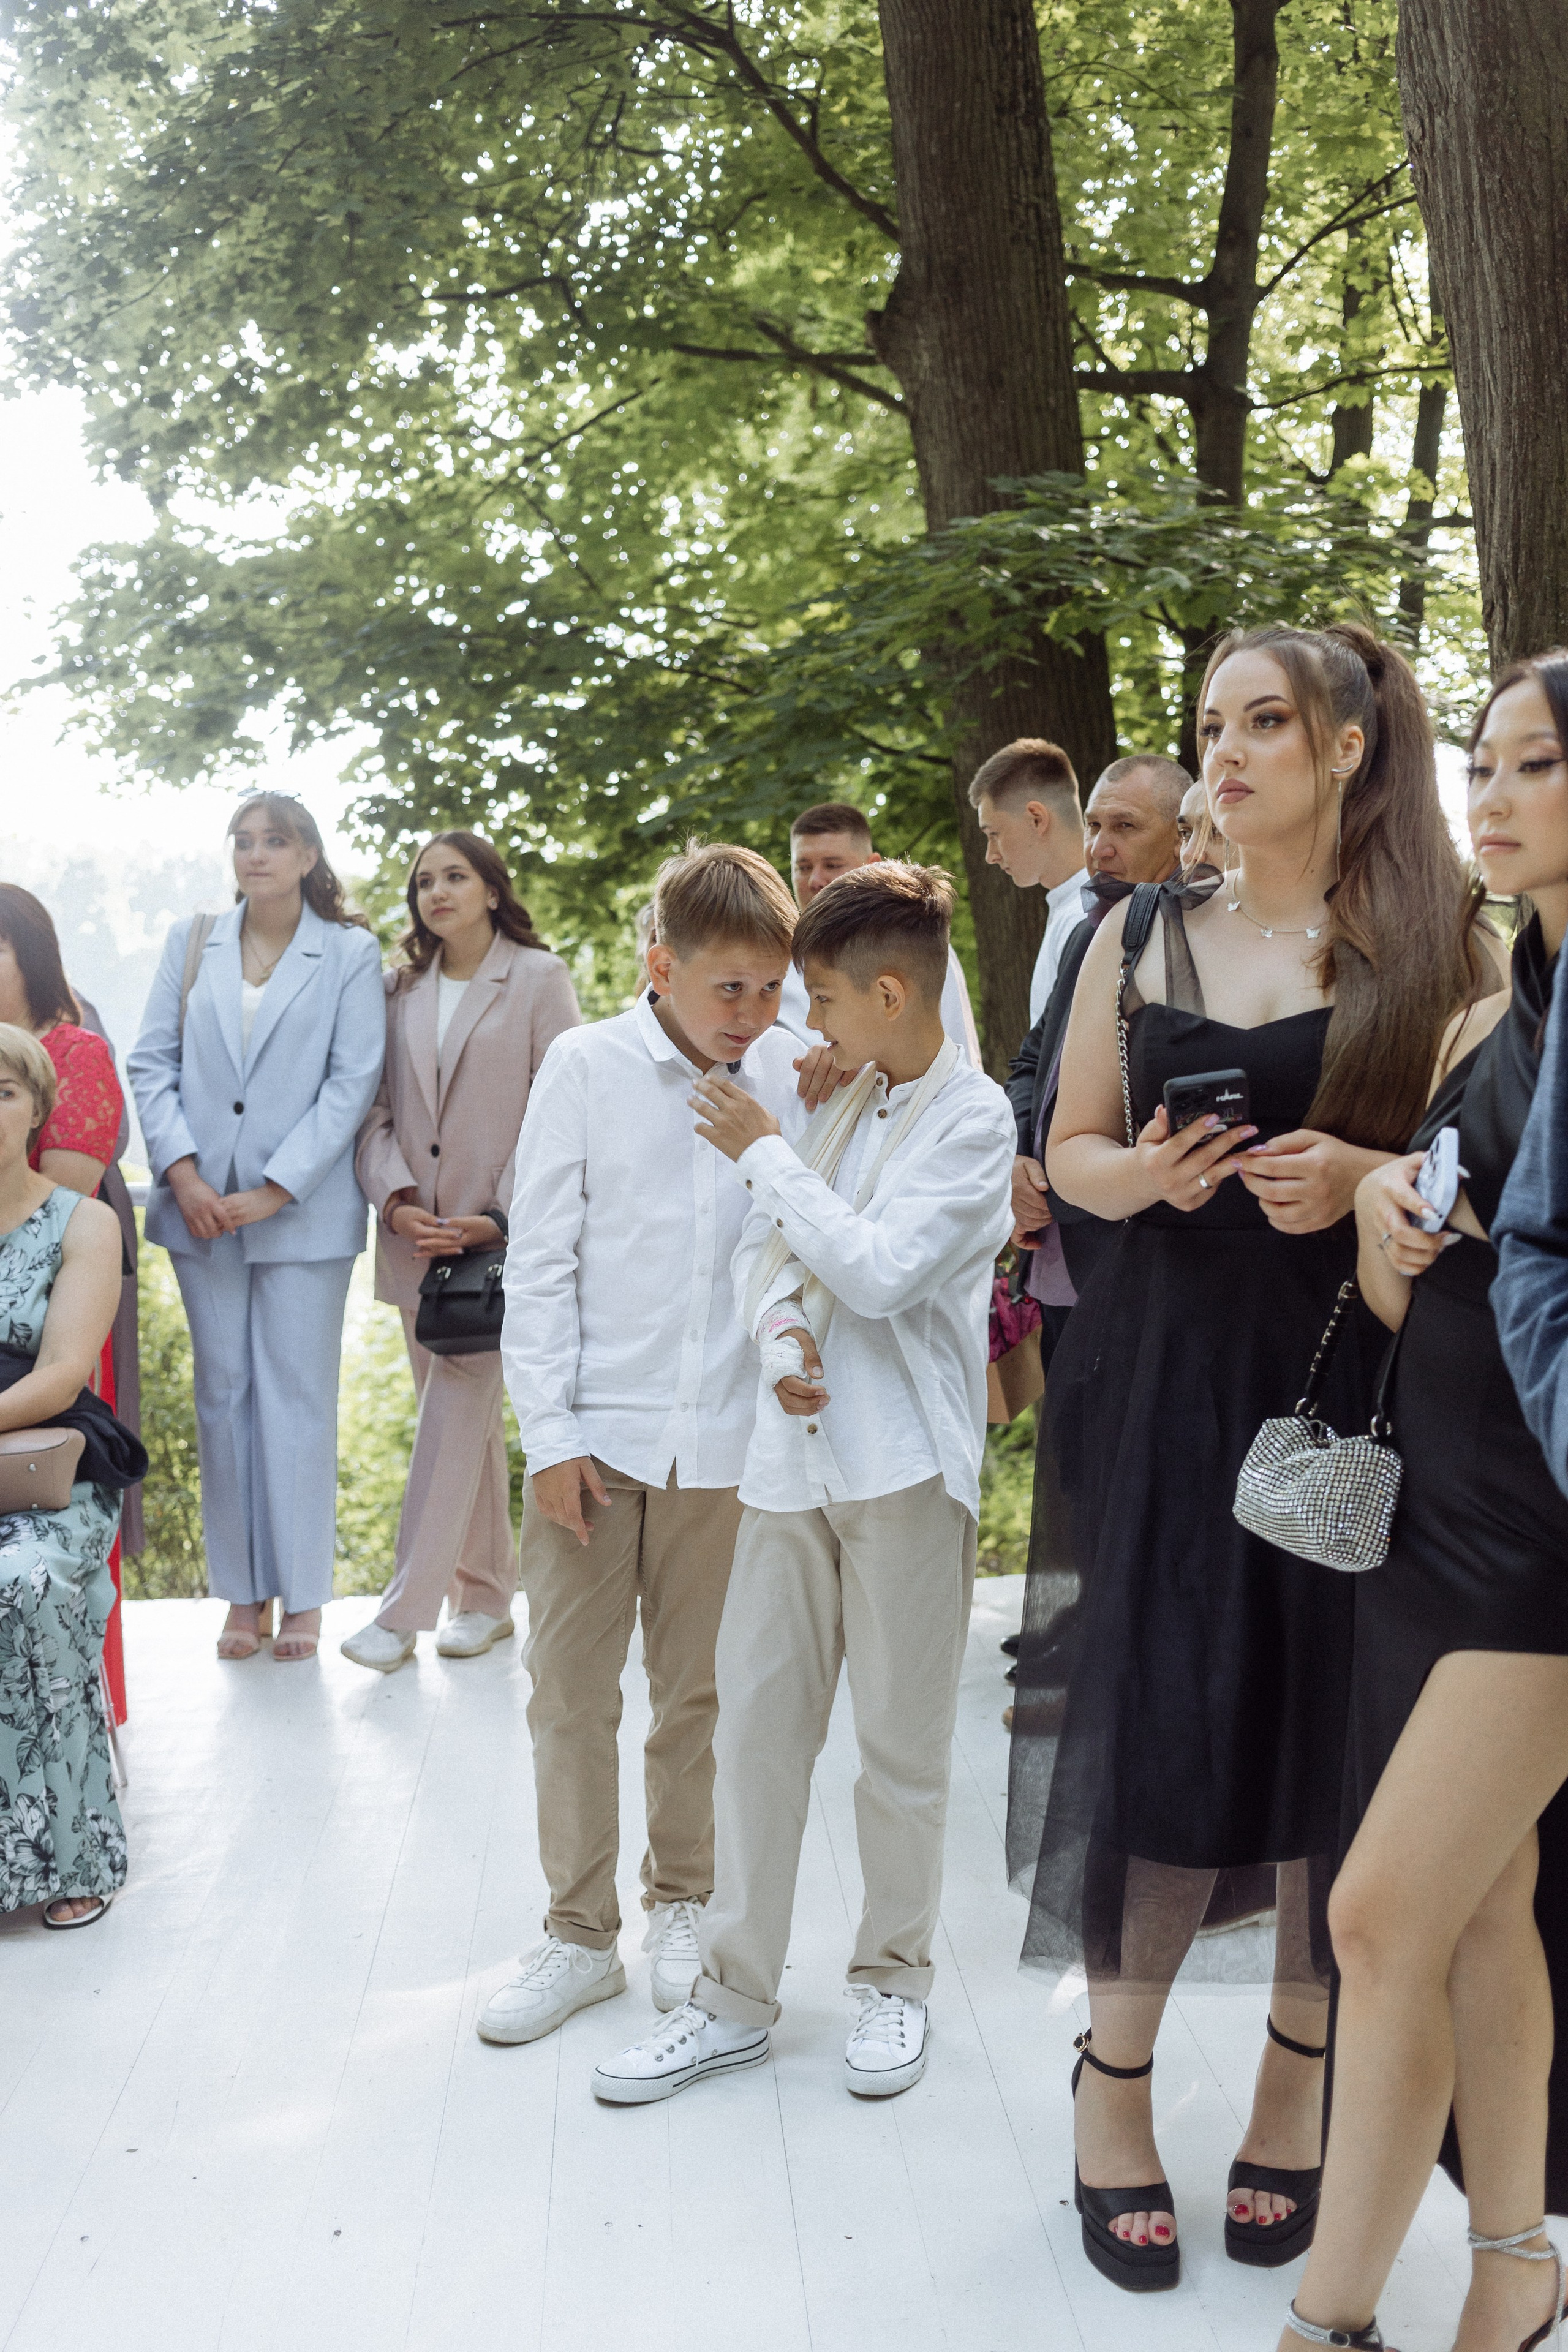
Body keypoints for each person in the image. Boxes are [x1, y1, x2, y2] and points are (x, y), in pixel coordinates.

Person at [1011, 622, 1480, 2293]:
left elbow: (1492, 1168)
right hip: (1170, 1387)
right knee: (1166, 1729)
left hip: (1366, 1391)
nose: (1225, 751)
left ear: (1350, 745)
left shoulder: (1440, 948)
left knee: (1330, 1756)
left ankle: (1300, 2086)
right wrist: (1146, 1180)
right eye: (1212, 724)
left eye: (1265, 722)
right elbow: (1065, 1155)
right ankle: (1112, 2089)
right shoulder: (1135, 931)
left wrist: (1362, 1168)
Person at [590, 862, 1016, 2106]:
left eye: (819, 999)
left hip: (902, 1470)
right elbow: (768, 1265)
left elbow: (879, 1273)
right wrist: (780, 1347)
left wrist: (769, 1155)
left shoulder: (971, 1119)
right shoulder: (837, 1102)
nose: (803, 1028)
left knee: (898, 1748)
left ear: (889, 992)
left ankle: (893, 1983)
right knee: (759, 1743)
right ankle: (732, 1999)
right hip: (788, 1470)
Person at [1275, 654, 1568, 2352]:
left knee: (1377, 1918)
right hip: (1428, 1507)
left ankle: (1331, 2323)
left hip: (1542, 1537)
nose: (1499, 794)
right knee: (1481, 1907)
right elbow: (1433, 1263)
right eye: (1486, 764)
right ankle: (1516, 2261)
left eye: (1536, 764)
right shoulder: (1487, 1003)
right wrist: (1392, 1218)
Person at [480, 843, 802, 2046]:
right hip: (595, 1440)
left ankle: (684, 1904)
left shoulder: (784, 1074)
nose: (753, 1014)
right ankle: (575, 1936)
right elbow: (543, 1261)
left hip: (729, 1445)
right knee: (566, 1691)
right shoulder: (583, 1065)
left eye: (771, 988)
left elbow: (798, 1247)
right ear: (660, 967)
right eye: (729, 988)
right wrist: (549, 1436)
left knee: (701, 1694)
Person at [128, 793, 386, 1664]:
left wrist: (276, 1188)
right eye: (243, 841)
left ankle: (306, 1598)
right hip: (198, 1211)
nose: (256, 855)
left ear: (309, 854)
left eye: (275, 841)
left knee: (298, 1402)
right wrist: (185, 1172)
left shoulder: (350, 952)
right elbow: (151, 1060)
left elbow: (352, 1082)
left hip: (302, 1215)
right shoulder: (191, 941)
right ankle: (243, 1596)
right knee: (222, 1397)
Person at [342, 833, 581, 1672]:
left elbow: (562, 1107)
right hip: (417, 1240)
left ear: (490, 888)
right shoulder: (396, 988)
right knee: (460, 1427)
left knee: (451, 1412)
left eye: (454, 876)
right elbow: (370, 1112)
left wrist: (498, 1215)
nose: (436, 892)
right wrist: (398, 1198)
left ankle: (403, 1614)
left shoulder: (538, 979)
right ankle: (483, 1597)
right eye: (423, 882)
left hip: (499, 1243)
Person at [992, 757, 1189, 1726]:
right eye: (1096, 826)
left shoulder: (1212, 950)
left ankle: (1117, 1668)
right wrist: (1026, 1157)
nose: (1099, 849)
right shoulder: (1089, 935)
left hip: (1156, 1252)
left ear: (1184, 837)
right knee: (1080, 1455)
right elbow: (1034, 1061)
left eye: (1125, 830)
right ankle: (1091, 1634)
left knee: (1136, 1462)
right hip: (1066, 1246)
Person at [0, 1025, 132, 1928]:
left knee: (26, 1584)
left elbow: (62, 1371)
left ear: (38, 1108)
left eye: (3, 1091)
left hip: (43, 1462)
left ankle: (74, 1853)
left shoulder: (83, 1221)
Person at [776, 802, 980, 1061]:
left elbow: (957, 1050)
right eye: (803, 867)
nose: (815, 880)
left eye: (832, 865)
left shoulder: (916, 945)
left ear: (872, 865)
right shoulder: (773, 957)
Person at [969, 741, 1088, 1025]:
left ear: (1036, 819)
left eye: (994, 833)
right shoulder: (1071, 907)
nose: (990, 856)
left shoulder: (1087, 916)